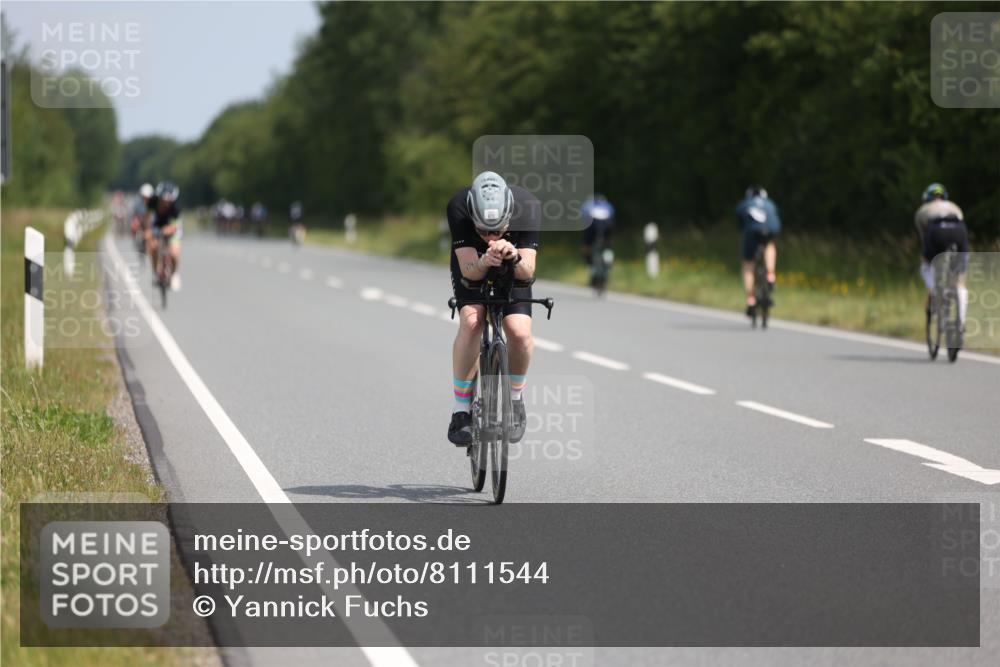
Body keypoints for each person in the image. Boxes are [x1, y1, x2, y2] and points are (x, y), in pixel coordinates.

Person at [446, 171, 540, 446]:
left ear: (510, 218)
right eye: (483, 231)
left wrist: (515, 255)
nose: (489, 237)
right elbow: (469, 271)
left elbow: (528, 271)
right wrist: (485, 260)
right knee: (472, 321)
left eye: (496, 231)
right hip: (474, 265)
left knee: (519, 333)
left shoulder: (528, 207)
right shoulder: (459, 208)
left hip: (514, 267)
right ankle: (460, 410)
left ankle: (515, 399)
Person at [915, 183, 968, 327]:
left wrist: (928, 257)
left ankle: (935, 291)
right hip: (959, 231)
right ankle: (961, 319)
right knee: (959, 279)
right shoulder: (954, 206)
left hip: (936, 231)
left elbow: (924, 239)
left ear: (927, 198)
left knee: (926, 266)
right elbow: (961, 224)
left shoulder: (923, 210)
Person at [735, 185, 781, 316]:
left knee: (748, 264)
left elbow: (740, 224)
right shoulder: (770, 204)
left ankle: (750, 300)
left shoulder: (744, 204)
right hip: (770, 230)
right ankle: (770, 275)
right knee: (770, 245)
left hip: (752, 232)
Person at [145, 181, 183, 291]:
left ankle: (174, 273)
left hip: (172, 226)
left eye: (169, 201)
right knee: (152, 247)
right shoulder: (152, 201)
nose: (166, 203)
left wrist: (166, 231)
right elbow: (148, 218)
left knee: (174, 253)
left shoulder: (176, 207)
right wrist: (148, 231)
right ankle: (156, 272)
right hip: (157, 223)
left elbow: (174, 227)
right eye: (163, 200)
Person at [581, 194, 615, 294]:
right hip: (606, 230)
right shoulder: (608, 207)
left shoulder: (588, 207)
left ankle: (590, 266)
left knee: (586, 249)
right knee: (608, 247)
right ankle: (609, 260)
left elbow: (584, 222)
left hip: (591, 231)